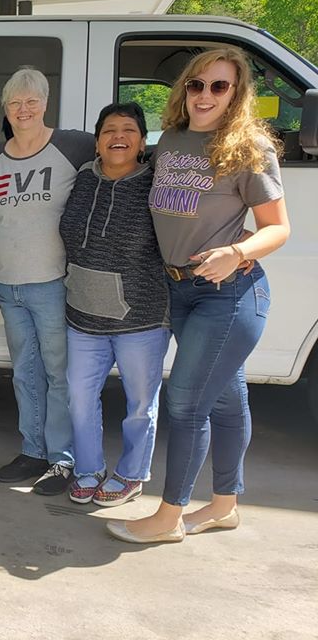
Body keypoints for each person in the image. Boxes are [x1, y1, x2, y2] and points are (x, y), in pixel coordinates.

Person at [107, 47, 289, 543]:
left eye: (219, 86)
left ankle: (169, 517)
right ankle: (224, 506)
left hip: (228, 294)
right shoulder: (170, 140)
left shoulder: (249, 147)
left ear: (236, 94)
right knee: (228, 400)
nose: (205, 95)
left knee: (186, 403)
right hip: (180, 289)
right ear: (184, 88)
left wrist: (238, 250)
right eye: (196, 84)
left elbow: (278, 229)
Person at [0, 67, 95, 496]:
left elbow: (121, 166)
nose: (23, 110)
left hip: (53, 282)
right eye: (15, 103)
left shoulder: (73, 145)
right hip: (9, 285)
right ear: (5, 109)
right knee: (24, 373)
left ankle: (62, 459)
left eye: (31, 101)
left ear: (45, 104)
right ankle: (32, 449)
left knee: (58, 374)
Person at [58, 103, 170, 506]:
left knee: (140, 403)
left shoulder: (156, 182)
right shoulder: (83, 177)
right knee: (80, 397)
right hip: (82, 314)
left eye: (128, 130)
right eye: (108, 130)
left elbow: (191, 223)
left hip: (140, 316)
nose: (117, 137)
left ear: (142, 141)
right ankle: (89, 469)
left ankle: (132, 473)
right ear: (97, 140)